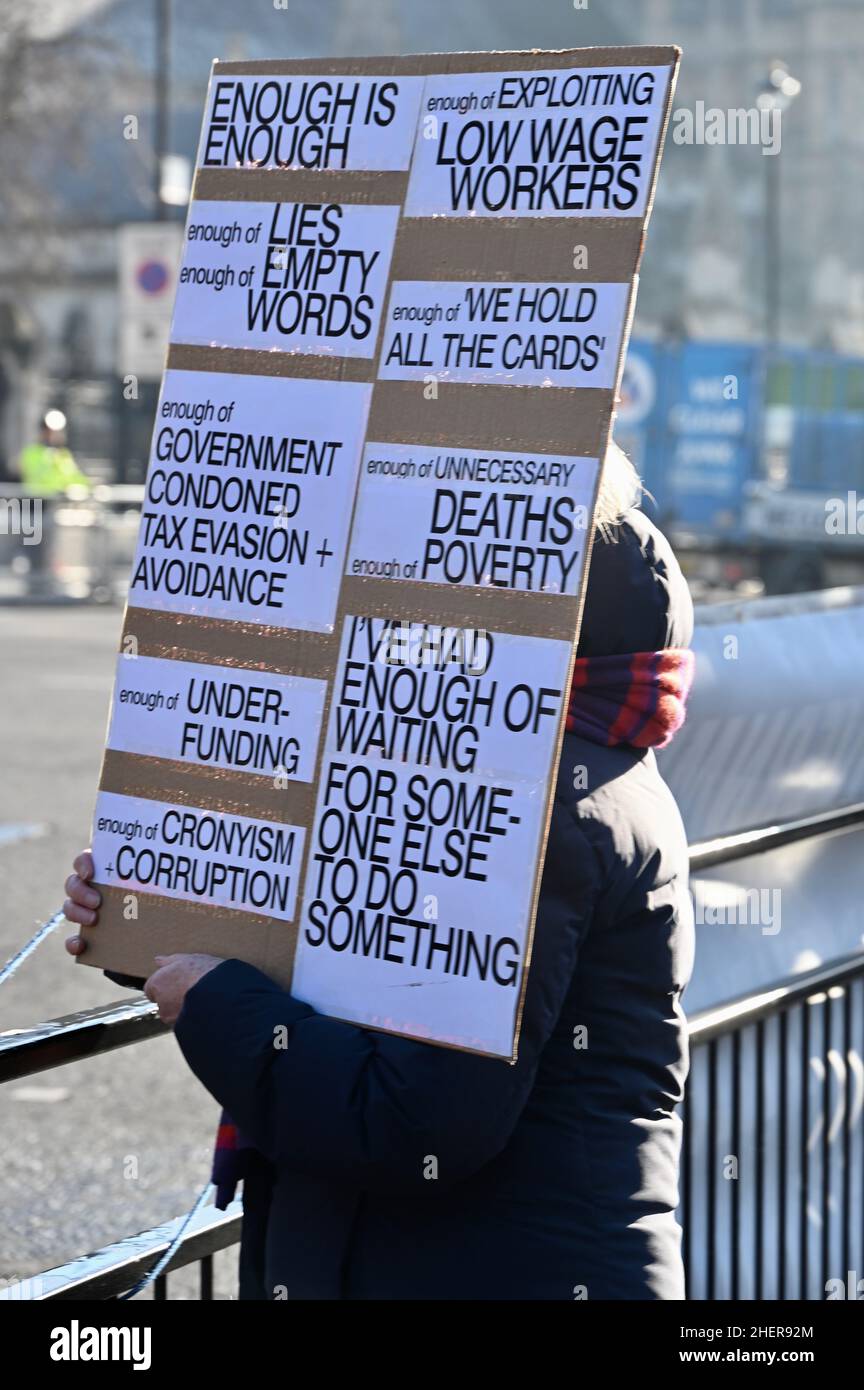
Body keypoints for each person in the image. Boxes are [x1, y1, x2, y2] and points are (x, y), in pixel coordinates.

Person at [64, 442, 696, 1300]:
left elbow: (417, 1124)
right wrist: (162, 910)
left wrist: (214, 1001)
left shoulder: (528, 799)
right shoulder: (523, 762)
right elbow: (337, 965)